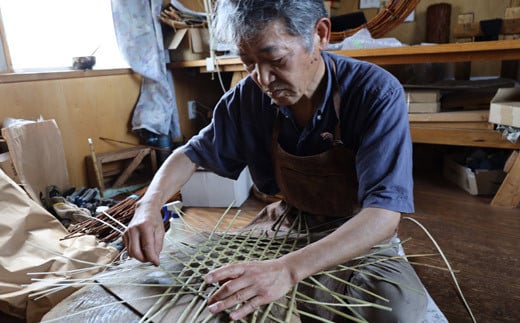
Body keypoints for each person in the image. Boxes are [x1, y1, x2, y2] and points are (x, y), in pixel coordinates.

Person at [123, 0, 428, 321]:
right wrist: (149, 204)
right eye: (248, 63)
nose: (262, 79)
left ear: (320, 35)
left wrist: (287, 270)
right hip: (288, 223)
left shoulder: (374, 92)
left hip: (356, 232)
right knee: (187, 276)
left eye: (275, 60)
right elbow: (189, 154)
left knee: (397, 309)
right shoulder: (249, 98)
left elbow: (383, 214)